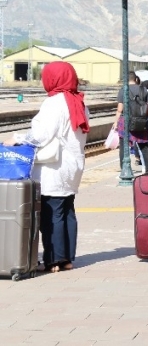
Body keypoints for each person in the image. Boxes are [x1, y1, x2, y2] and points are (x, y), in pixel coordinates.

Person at [3, 62, 88, 273]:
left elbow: (40, 135)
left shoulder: (54, 103)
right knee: (67, 210)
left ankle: (54, 260)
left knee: (52, 214)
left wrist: (17, 138)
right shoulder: (79, 102)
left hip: (53, 168)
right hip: (73, 167)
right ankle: (67, 259)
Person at [111, 71, 148, 173]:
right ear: (136, 79)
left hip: (126, 120)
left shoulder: (123, 90)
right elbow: (147, 106)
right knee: (144, 146)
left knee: (124, 146)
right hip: (141, 120)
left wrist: (116, 122)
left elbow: (120, 109)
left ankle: (124, 169)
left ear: (125, 80)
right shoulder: (143, 89)